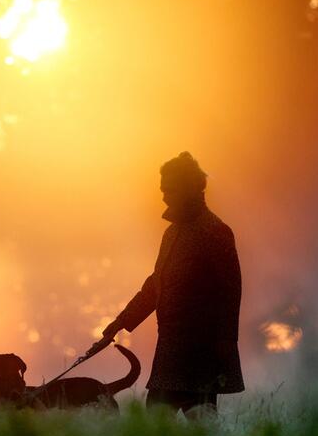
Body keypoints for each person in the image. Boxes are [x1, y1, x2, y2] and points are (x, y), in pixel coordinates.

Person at [93, 152, 244, 416]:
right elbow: (155, 285)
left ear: (190, 188)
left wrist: (225, 344)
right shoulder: (172, 232)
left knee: (197, 426)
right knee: (158, 420)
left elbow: (230, 295)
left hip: (201, 355)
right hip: (170, 350)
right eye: (163, 190)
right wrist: (119, 323)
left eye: (170, 189)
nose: (163, 196)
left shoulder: (215, 232)